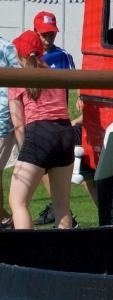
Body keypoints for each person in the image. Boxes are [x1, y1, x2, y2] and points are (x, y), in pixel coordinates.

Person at [8, 30, 76, 231]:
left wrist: (26, 155)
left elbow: (19, 124)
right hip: (65, 132)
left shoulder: (18, 77)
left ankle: (26, 255)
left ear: (19, 54)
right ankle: (64, 258)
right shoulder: (54, 73)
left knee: (18, 202)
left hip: (39, 134)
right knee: (62, 205)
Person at [32, 11, 80, 226]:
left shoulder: (63, 56)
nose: (48, 39)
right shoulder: (30, 57)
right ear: (36, 33)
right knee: (41, 167)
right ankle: (61, 208)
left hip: (58, 120)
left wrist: (80, 103)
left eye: (51, 34)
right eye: (44, 34)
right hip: (36, 119)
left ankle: (61, 209)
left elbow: (79, 84)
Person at [0, 33, 21, 228]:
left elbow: (21, 80)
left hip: (1, 120)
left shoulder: (6, 47)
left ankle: (8, 220)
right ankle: (6, 219)